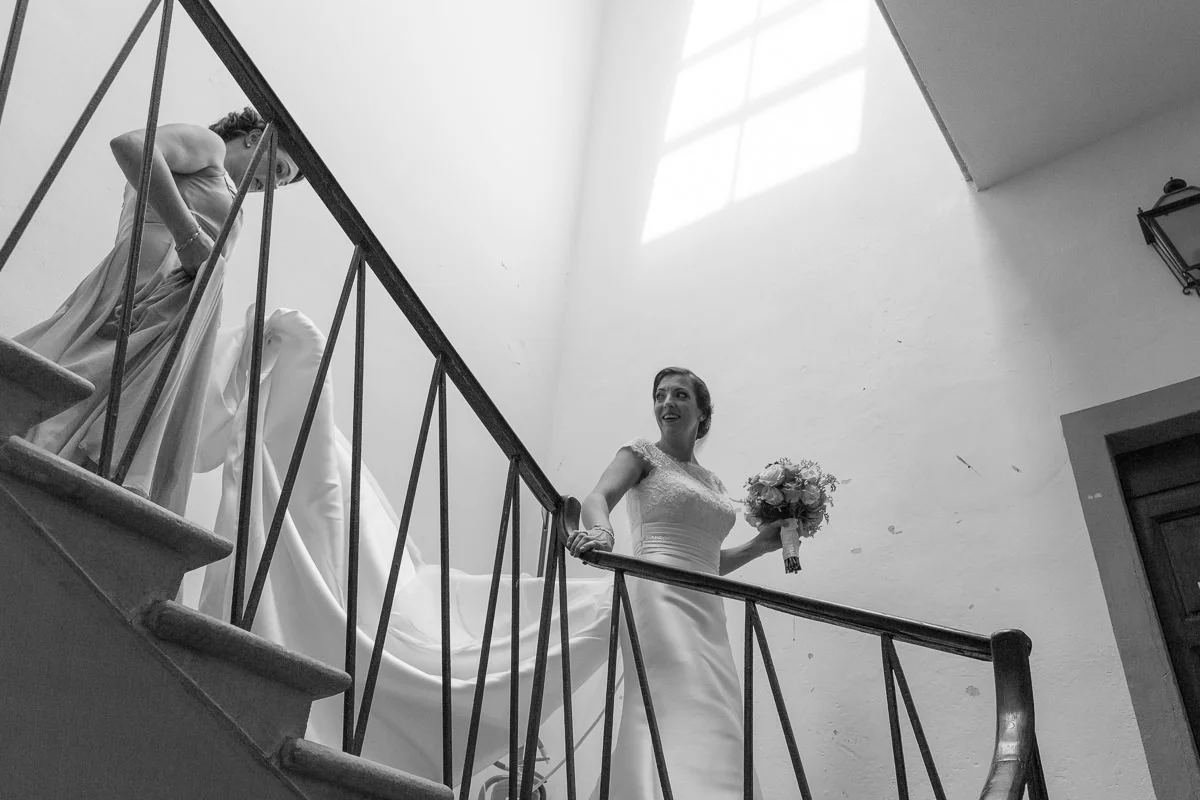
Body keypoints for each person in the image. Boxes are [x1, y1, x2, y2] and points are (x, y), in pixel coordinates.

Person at [14, 107, 302, 513]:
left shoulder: (230, 194)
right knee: (88, 374)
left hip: (174, 310)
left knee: (112, 400)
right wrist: (189, 237)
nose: (271, 185)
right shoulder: (211, 147)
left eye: (281, 184)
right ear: (255, 138)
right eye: (278, 169)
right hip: (148, 281)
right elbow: (133, 145)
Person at [564, 367, 784, 800]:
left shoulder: (713, 482)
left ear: (702, 412)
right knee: (672, 698)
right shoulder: (641, 453)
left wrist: (758, 546)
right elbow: (596, 498)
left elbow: (707, 562)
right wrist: (602, 531)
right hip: (656, 593)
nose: (667, 402)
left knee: (716, 707)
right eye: (660, 395)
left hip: (707, 606)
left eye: (680, 394)